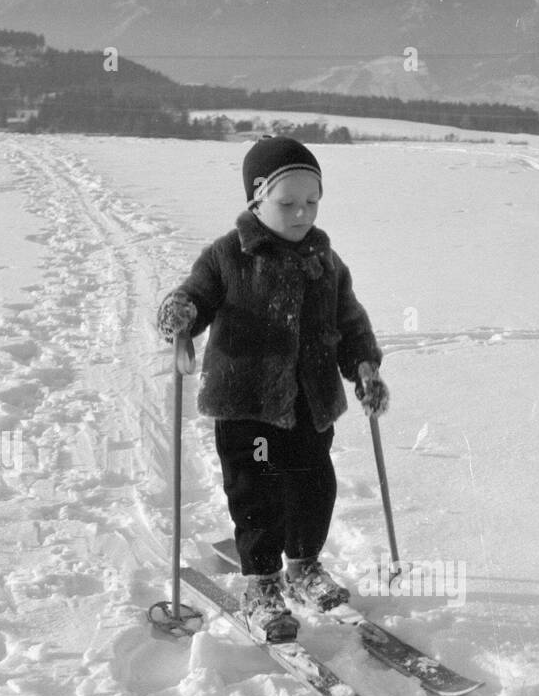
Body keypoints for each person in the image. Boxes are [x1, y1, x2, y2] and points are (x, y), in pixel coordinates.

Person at [156, 135, 390, 642]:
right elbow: (195, 295)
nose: (302, 213)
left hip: (310, 402)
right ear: (256, 199)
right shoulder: (228, 256)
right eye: (288, 203)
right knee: (258, 492)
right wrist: (182, 314)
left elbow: (350, 325)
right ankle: (261, 583)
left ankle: (303, 566)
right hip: (247, 405)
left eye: (312, 201)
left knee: (314, 486)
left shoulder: (326, 263)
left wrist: (365, 367)